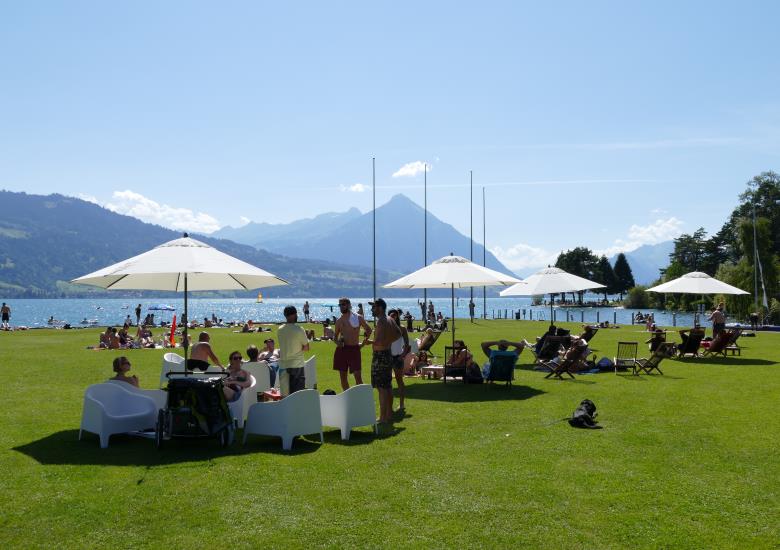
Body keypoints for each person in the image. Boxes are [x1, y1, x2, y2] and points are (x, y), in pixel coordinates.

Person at [367, 298, 400, 425]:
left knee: (381, 388)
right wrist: (389, 341)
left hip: (380, 356)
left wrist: (367, 342)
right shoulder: (390, 319)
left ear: (380, 308)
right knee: (387, 386)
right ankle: (389, 414)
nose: (371, 309)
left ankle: (382, 417)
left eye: (373, 307)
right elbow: (398, 333)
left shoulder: (381, 321)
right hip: (387, 354)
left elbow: (378, 341)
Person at [333, 297, 372, 391]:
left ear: (349, 305)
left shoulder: (358, 318)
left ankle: (361, 399)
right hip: (342, 350)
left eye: (343, 304)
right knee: (343, 378)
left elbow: (369, 330)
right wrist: (338, 342)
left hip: (354, 349)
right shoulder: (339, 321)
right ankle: (348, 399)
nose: (341, 307)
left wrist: (363, 342)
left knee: (358, 377)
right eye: (340, 305)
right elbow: (335, 337)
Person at [277, 305, 309, 395]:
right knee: (297, 395)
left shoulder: (280, 329)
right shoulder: (299, 329)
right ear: (293, 315)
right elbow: (307, 347)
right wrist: (300, 348)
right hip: (297, 365)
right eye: (295, 314)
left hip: (283, 365)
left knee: (285, 395)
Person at [388, 309, 410, 413]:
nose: (392, 317)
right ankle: (389, 406)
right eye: (390, 315)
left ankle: (401, 404)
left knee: (399, 380)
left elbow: (407, 344)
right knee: (387, 382)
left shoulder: (402, 328)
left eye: (394, 315)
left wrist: (403, 355)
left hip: (397, 357)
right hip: (387, 357)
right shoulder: (385, 328)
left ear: (397, 316)